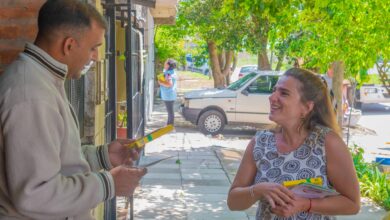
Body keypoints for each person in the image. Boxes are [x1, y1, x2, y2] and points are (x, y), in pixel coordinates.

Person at [0, 0, 146, 219]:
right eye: (93, 48)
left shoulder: (44, 79)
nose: (95, 57)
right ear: (68, 45)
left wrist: (103, 156)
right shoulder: (31, 95)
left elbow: (54, 160)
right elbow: (35, 194)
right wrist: (108, 184)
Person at [227, 68, 360, 219]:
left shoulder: (327, 143)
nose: (272, 97)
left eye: (284, 93)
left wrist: (307, 204)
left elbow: (353, 204)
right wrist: (257, 190)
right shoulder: (260, 143)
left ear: (306, 107)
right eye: (274, 90)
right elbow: (233, 202)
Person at [158, 59, 177, 125]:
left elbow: (169, 84)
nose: (164, 64)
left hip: (168, 95)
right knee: (170, 111)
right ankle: (169, 126)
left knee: (170, 112)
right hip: (171, 94)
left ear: (168, 65)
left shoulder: (168, 73)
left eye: (165, 63)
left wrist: (161, 82)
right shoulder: (172, 72)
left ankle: (170, 126)